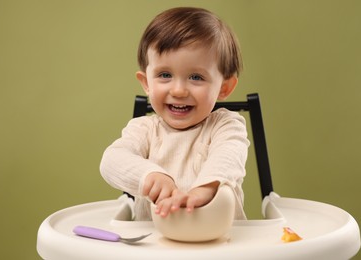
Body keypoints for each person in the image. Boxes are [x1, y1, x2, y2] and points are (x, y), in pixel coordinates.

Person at [100, 7, 249, 221]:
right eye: (165, 75)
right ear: (146, 83)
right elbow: (112, 160)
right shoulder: (144, 129)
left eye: (196, 77)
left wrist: (202, 191)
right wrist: (151, 177)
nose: (178, 90)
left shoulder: (226, 125)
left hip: (219, 242)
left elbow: (227, 159)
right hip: (154, 245)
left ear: (224, 88)